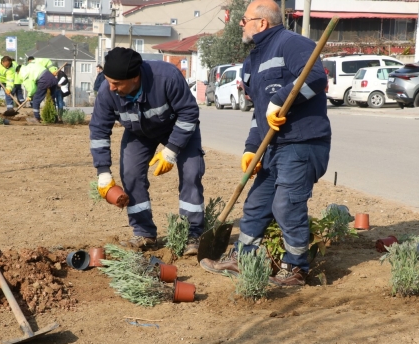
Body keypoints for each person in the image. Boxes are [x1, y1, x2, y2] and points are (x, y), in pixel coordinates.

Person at [199, 0, 331, 286]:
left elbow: (317, 78)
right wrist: (250, 148)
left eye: (244, 19)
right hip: (271, 146)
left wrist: (279, 99)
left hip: (303, 142)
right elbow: (260, 115)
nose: (240, 24)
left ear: (262, 22)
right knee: (257, 204)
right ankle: (243, 260)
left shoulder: (291, 44)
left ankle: (296, 269)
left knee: (286, 205)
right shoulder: (251, 62)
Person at [89, 47, 205, 255]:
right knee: (131, 174)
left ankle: (192, 233)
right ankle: (144, 232)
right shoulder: (108, 92)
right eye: (108, 81)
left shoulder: (166, 77)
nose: (111, 87)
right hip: (139, 133)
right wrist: (103, 172)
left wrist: (171, 150)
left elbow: (189, 113)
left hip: (178, 128)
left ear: (135, 78)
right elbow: (99, 130)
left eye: (116, 83)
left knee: (191, 174)